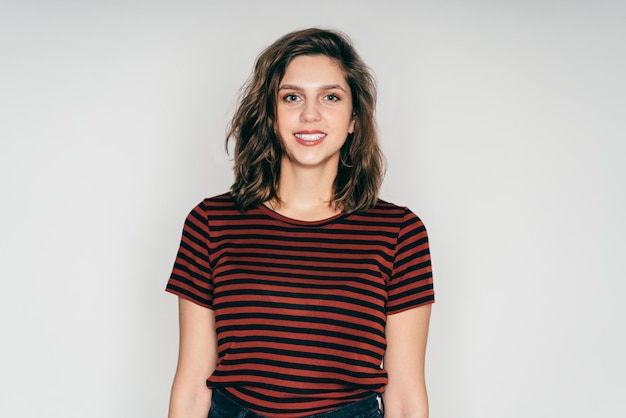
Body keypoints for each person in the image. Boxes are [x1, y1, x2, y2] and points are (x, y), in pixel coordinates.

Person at [166, 28, 434, 418]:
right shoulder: (211, 222)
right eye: (292, 97)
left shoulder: (399, 232)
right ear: (271, 116)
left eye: (330, 97)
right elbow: (192, 385)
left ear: (354, 118)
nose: (310, 114)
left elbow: (407, 395)